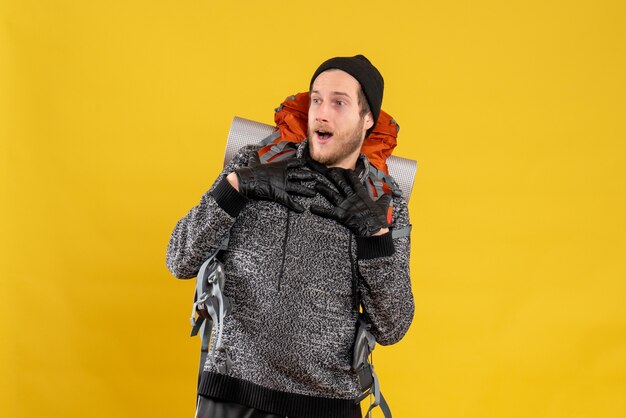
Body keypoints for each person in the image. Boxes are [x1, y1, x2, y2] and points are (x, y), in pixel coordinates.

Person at [166, 55, 415, 418]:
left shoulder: (384, 201)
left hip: (328, 405)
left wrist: (374, 236)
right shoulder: (256, 161)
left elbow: (393, 326)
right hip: (232, 389)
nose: (321, 113)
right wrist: (238, 186)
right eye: (316, 99)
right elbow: (179, 259)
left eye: (339, 102)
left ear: (367, 119)